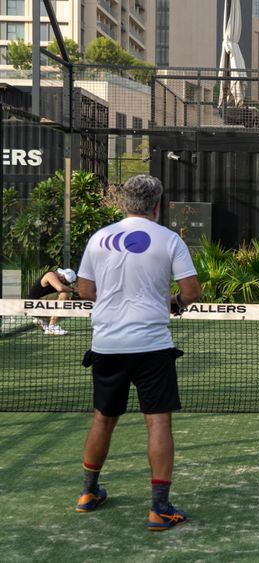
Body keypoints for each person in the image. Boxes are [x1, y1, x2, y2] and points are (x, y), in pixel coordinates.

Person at [75, 175, 201, 532]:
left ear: (125, 203)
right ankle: (159, 509)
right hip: (151, 346)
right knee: (158, 422)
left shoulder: (99, 238)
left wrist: (115, 302)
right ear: (157, 205)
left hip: (107, 345)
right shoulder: (170, 239)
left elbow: (85, 289)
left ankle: (87, 494)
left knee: (103, 417)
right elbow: (191, 292)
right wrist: (172, 302)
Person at [28, 268, 77, 335]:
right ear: (62, 277)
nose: (67, 284)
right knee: (64, 293)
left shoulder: (59, 280)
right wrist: (74, 290)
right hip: (33, 305)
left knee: (65, 299)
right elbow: (60, 288)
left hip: (40, 307)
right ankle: (52, 326)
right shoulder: (50, 274)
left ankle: (41, 320)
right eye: (66, 282)